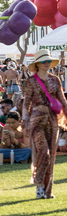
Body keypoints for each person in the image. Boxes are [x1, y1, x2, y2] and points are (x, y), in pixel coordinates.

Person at [21, 50, 67, 199]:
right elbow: (26, 102)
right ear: (37, 64)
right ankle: (39, 186)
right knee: (43, 151)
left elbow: (62, 100)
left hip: (52, 120)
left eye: (48, 61)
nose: (46, 63)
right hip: (36, 120)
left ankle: (48, 190)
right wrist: (25, 120)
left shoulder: (55, 80)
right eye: (43, 61)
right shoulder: (31, 81)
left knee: (51, 154)